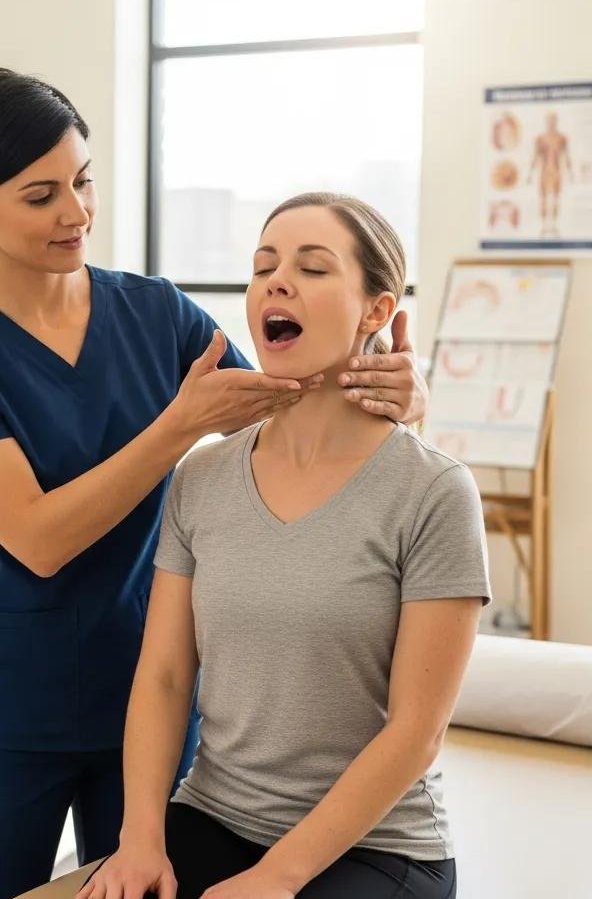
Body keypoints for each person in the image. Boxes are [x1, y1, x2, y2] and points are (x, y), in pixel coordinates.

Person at [0, 72, 431, 899]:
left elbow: (289, 414)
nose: (76, 212)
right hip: (13, 709)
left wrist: (404, 398)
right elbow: (39, 540)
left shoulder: (157, 315)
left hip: (151, 701)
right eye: (41, 196)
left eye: (83, 180)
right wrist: (178, 427)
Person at [79, 192, 490, 899]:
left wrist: (277, 877)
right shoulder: (202, 476)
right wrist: (140, 836)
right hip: (215, 814)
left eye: (313, 267)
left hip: (381, 845)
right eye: (264, 264)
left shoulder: (434, 493)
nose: (276, 280)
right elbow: (166, 677)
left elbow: (415, 732)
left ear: (375, 311)